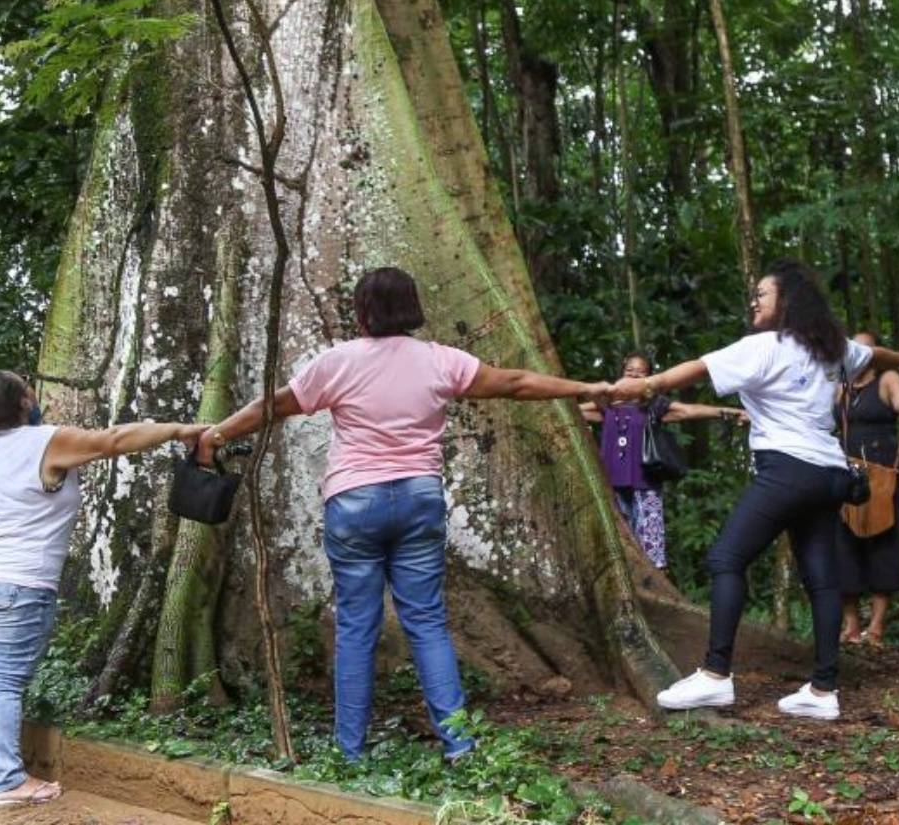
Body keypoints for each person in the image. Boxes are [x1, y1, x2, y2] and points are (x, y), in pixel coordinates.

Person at [200, 266, 612, 762]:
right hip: (419, 498)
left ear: (362, 311)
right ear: (413, 307)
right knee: (428, 623)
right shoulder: (441, 360)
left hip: (355, 502)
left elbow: (276, 406)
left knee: (357, 625)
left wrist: (218, 433)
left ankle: (350, 752)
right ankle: (459, 746)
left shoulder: (338, 362)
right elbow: (517, 382)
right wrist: (585, 387)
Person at [609, 261, 899, 721]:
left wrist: (646, 384)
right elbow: (878, 357)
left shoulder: (765, 346)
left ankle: (714, 676)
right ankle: (823, 689)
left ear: (786, 303)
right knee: (822, 579)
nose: (754, 301)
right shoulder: (831, 347)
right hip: (830, 474)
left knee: (726, 559)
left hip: (789, 469)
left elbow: (697, 368)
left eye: (762, 295)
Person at [0, 370, 208, 806]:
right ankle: (9, 782)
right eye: (29, 392)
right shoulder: (46, 440)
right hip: (18, 583)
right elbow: (116, 439)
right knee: (3, 683)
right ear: (22, 403)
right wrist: (182, 430)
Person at [579, 352, 745, 570]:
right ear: (621, 373)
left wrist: (731, 413)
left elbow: (688, 411)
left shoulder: (654, 406)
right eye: (630, 370)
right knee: (618, 542)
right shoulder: (606, 406)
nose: (634, 375)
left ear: (649, 378)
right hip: (611, 485)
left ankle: (654, 583)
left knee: (650, 545)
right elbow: (574, 411)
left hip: (645, 483)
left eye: (641, 372)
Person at [833, 333, 899, 647]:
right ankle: (852, 625)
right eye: (855, 347)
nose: (861, 352)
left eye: (867, 346)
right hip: (845, 472)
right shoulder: (841, 386)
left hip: (880, 475)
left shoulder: (888, 378)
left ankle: (877, 627)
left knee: (882, 539)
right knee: (842, 542)